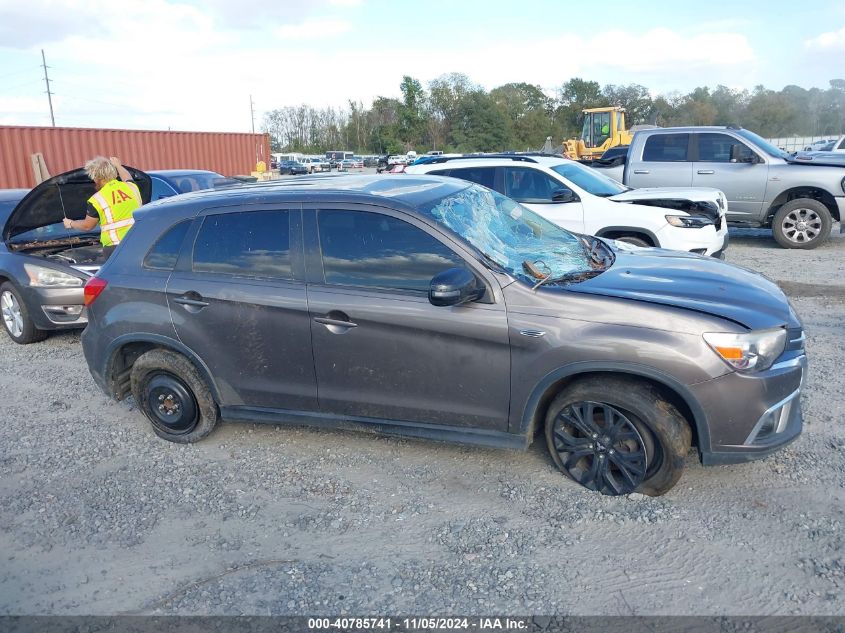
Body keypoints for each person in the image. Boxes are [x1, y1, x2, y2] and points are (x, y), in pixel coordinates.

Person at [63, 156, 142, 257]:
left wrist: (70, 223)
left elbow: (87, 226)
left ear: (98, 178)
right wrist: (118, 165)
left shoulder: (98, 199)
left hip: (116, 248)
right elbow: (127, 177)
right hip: (139, 243)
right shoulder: (131, 187)